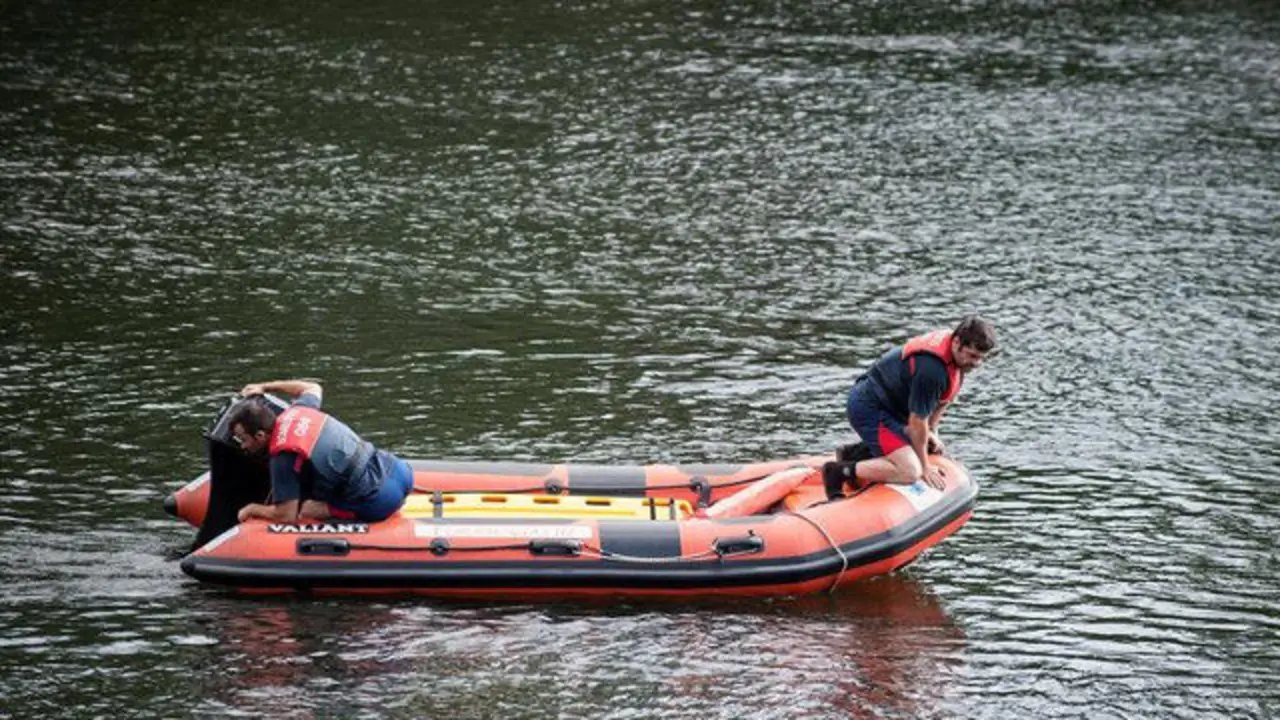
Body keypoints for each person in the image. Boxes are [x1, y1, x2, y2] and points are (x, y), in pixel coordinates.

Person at [825, 316, 996, 497]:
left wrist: (932, 433)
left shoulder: (955, 358)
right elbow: (917, 421)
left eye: (981, 358)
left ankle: (855, 453)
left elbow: (941, 402)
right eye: (972, 356)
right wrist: (925, 466)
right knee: (910, 471)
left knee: (927, 444)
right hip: (869, 407)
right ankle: (838, 472)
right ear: (956, 342)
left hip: (894, 407)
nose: (976, 364)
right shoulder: (932, 370)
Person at [228, 379, 414, 524]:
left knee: (307, 509)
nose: (242, 446)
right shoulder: (298, 411)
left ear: (260, 436)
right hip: (399, 471)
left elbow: (286, 516)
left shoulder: (282, 458)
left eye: (243, 440)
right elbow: (312, 387)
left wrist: (251, 509)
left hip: (380, 500)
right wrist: (264, 387)